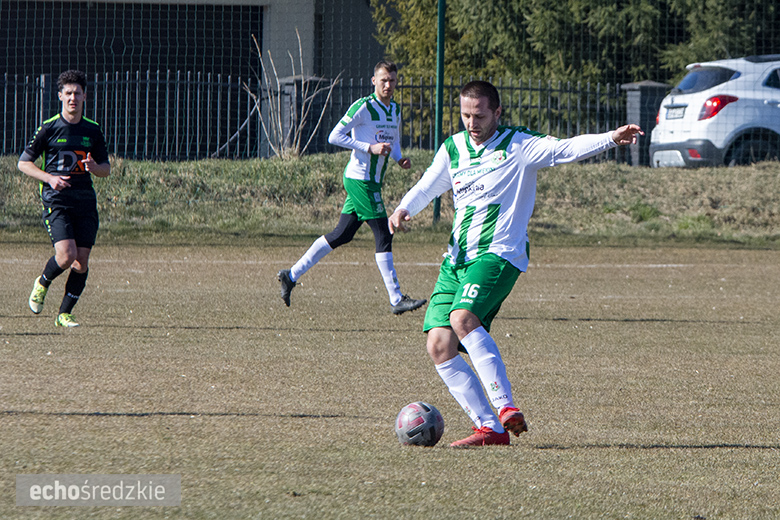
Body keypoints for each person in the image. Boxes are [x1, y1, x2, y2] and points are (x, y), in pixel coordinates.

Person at [389, 80, 643, 447]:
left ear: (497, 112)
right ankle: (489, 429)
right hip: (457, 258)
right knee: (439, 345)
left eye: (479, 115)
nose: (471, 123)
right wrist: (403, 209)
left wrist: (610, 138)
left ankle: (505, 408)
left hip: (498, 253)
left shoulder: (519, 145)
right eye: (465, 115)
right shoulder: (454, 148)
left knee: (462, 319)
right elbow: (429, 186)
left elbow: (565, 149)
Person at [278, 60, 426, 315]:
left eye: (392, 80)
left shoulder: (395, 110)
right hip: (360, 179)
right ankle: (396, 299)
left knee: (342, 235)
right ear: (373, 81)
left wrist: (399, 158)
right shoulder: (364, 107)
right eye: (383, 80)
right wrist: (368, 148)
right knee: (384, 231)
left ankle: (290, 275)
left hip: (372, 180)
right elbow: (334, 136)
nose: (388, 85)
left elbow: (394, 142)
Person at [19, 70, 111, 328]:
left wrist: (94, 168)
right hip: (56, 201)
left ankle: (64, 314)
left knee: (81, 261)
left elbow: (106, 168)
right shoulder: (49, 127)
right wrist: (49, 178)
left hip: (84, 202)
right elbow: (24, 164)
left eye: (77, 93)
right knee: (66, 256)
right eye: (68, 93)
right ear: (60, 96)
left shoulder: (92, 130)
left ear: (85, 96)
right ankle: (43, 282)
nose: (73, 98)